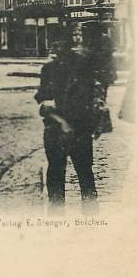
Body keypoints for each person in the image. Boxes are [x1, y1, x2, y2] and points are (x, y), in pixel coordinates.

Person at [34, 34, 100, 207]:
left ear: (68, 47)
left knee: (84, 175)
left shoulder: (82, 67)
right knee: (59, 174)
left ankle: (90, 216)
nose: (55, 49)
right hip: (58, 130)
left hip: (77, 130)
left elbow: (90, 98)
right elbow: (44, 103)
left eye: (58, 45)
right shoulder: (49, 70)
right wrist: (63, 123)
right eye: (53, 45)